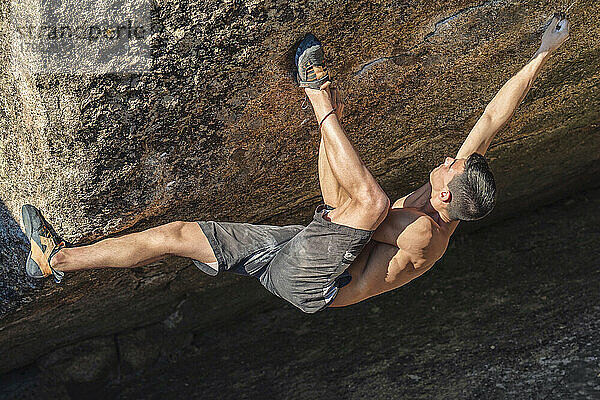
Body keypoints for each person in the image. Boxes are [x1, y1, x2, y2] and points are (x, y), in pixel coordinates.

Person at [22, 15, 570, 313]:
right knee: (176, 234)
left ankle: (316, 90)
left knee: (368, 201)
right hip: (311, 244)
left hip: (314, 280)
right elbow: (496, 114)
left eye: (450, 168)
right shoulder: (455, 189)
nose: (449, 158)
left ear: (447, 199)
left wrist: (331, 125)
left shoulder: (424, 235)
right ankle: (58, 261)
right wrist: (543, 54)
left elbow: (358, 207)